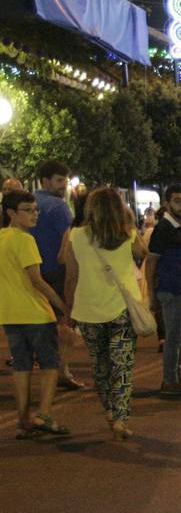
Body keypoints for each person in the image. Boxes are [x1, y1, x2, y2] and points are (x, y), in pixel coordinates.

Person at [64, 187, 147, 439]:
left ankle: (110, 412)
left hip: (88, 309)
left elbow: (71, 276)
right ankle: (121, 418)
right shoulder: (128, 234)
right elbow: (143, 254)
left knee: (100, 366)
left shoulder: (76, 235)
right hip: (121, 308)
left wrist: (68, 309)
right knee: (122, 367)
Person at [1, 189, 71, 437]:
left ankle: (23, 418)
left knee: (22, 366)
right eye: (27, 211)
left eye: (35, 210)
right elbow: (37, 281)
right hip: (36, 313)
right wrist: (62, 306)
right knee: (51, 363)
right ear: (11, 212)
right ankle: (44, 414)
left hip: (9, 314)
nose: (34, 215)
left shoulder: (1, 238)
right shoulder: (25, 240)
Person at [32, 160, 83, 390]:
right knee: (65, 320)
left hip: (32, 270)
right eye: (59, 180)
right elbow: (70, 238)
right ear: (46, 181)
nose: (64, 185)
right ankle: (61, 369)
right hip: (57, 269)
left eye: (65, 180)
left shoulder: (29, 202)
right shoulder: (58, 206)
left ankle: (46, 367)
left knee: (41, 322)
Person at [146, 184, 181, 395]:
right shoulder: (163, 229)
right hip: (171, 289)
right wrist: (152, 294)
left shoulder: (180, 226)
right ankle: (169, 381)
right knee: (174, 336)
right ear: (167, 204)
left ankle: (176, 376)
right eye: (178, 201)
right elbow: (151, 262)